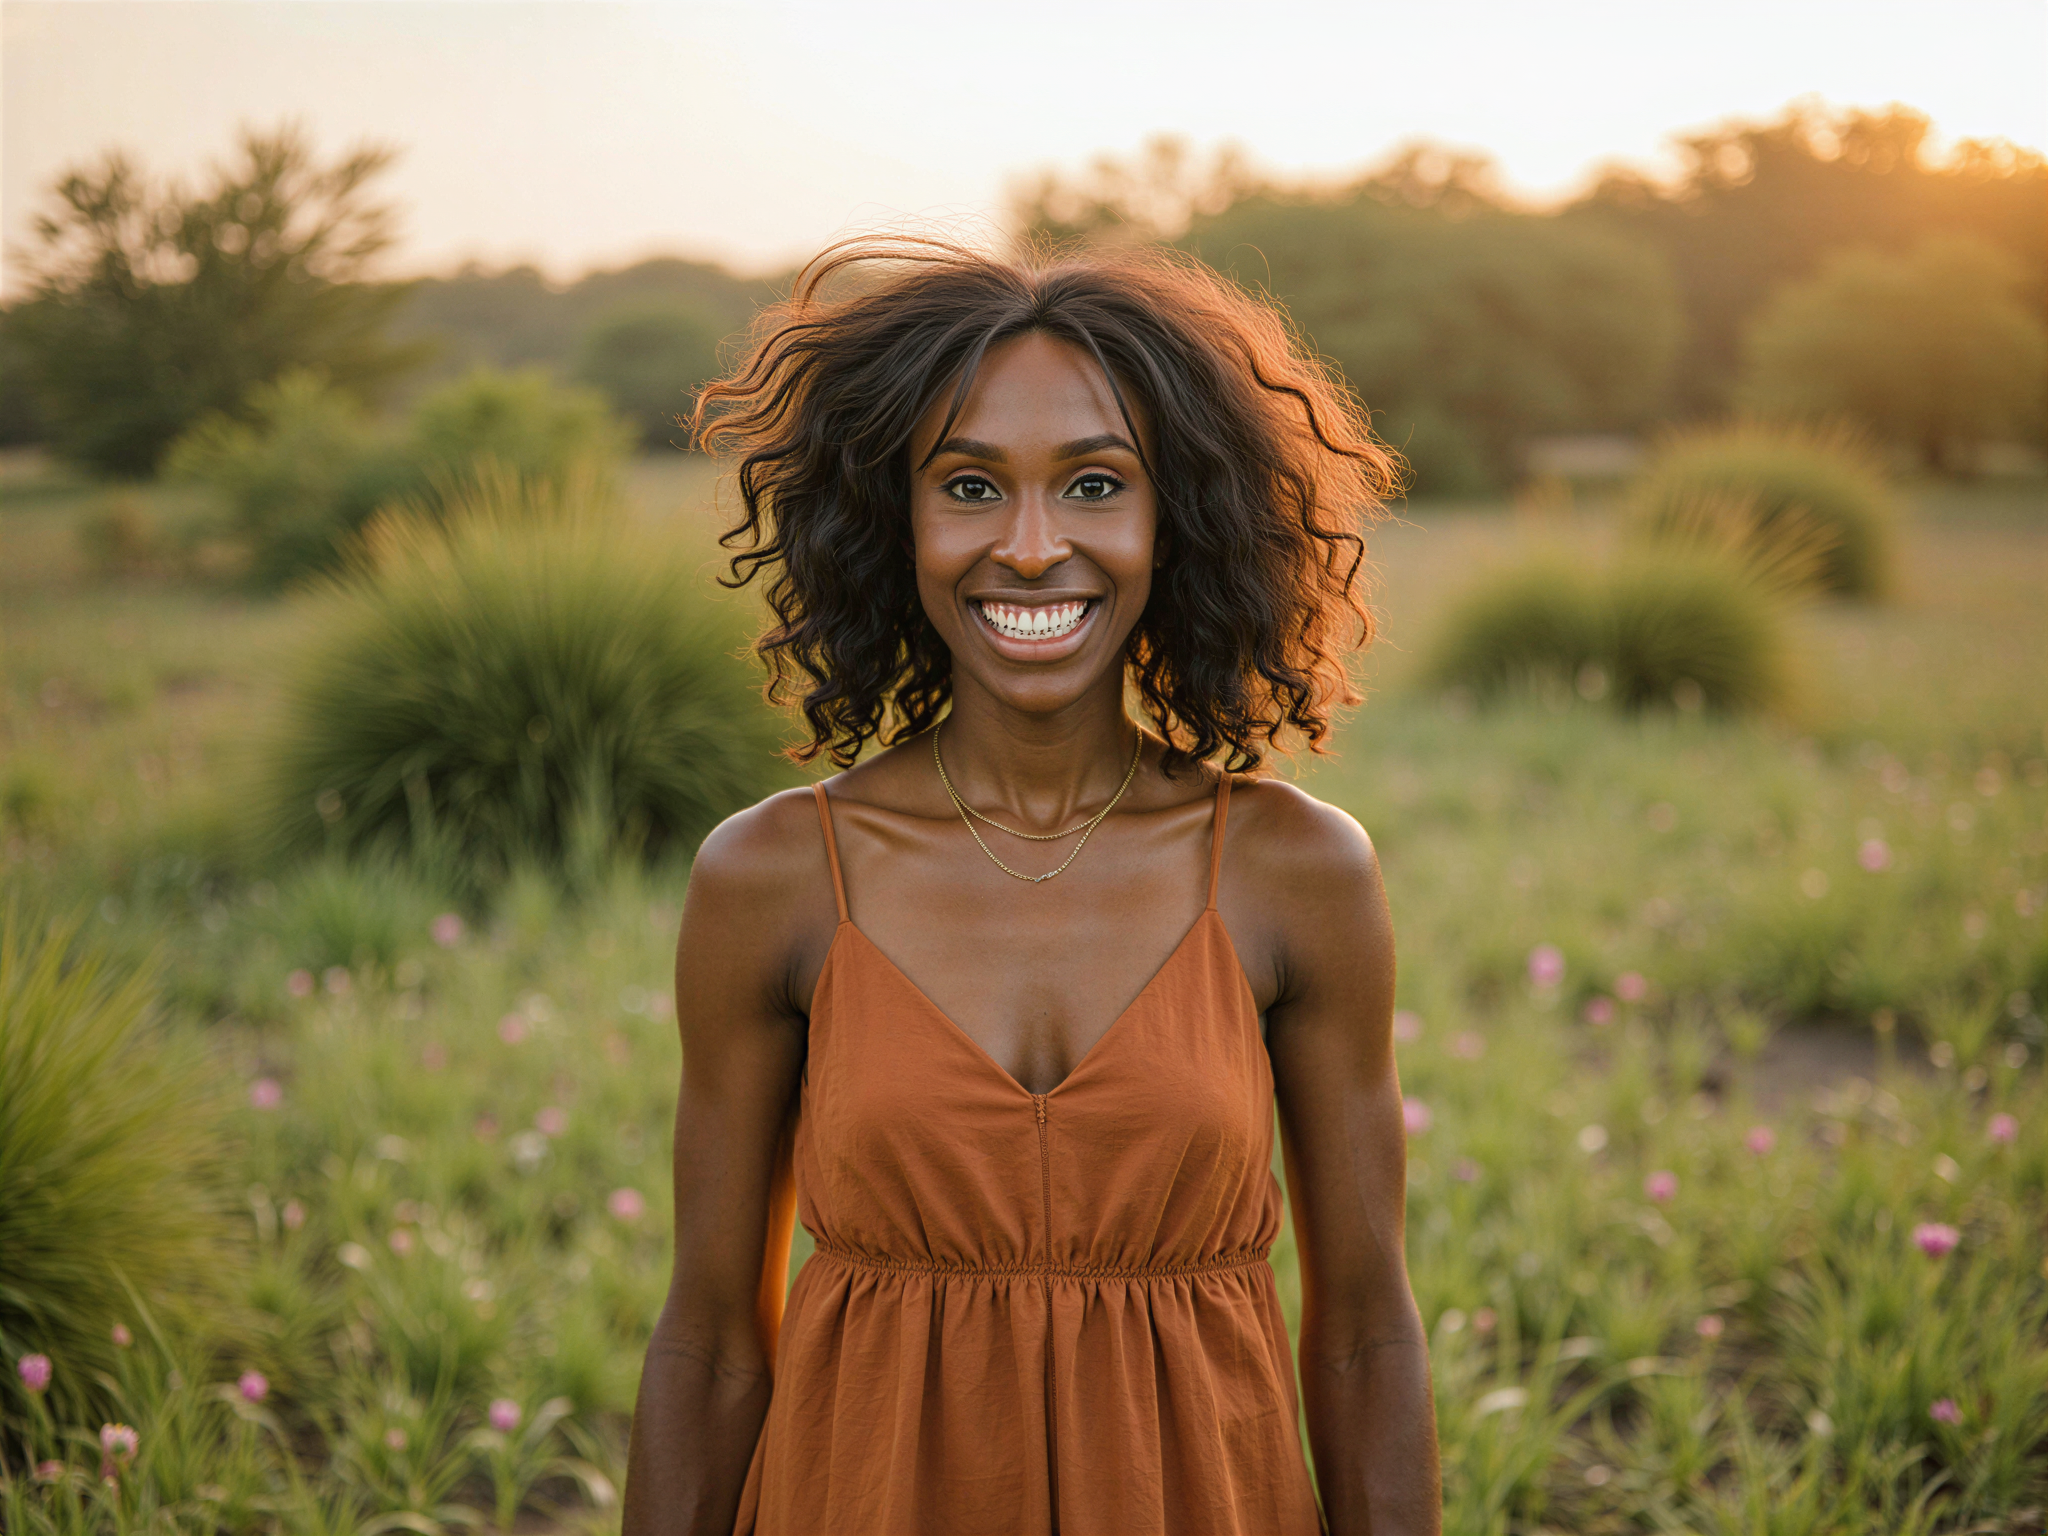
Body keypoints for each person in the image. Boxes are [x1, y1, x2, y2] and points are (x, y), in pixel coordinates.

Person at [621, 238, 1440, 1536]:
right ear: (898, 521)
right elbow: (715, 1341)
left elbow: (1363, 1336)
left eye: (1096, 484)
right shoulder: (772, 881)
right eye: (969, 486)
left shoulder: (1297, 875)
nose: (1033, 545)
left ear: (1179, 520)